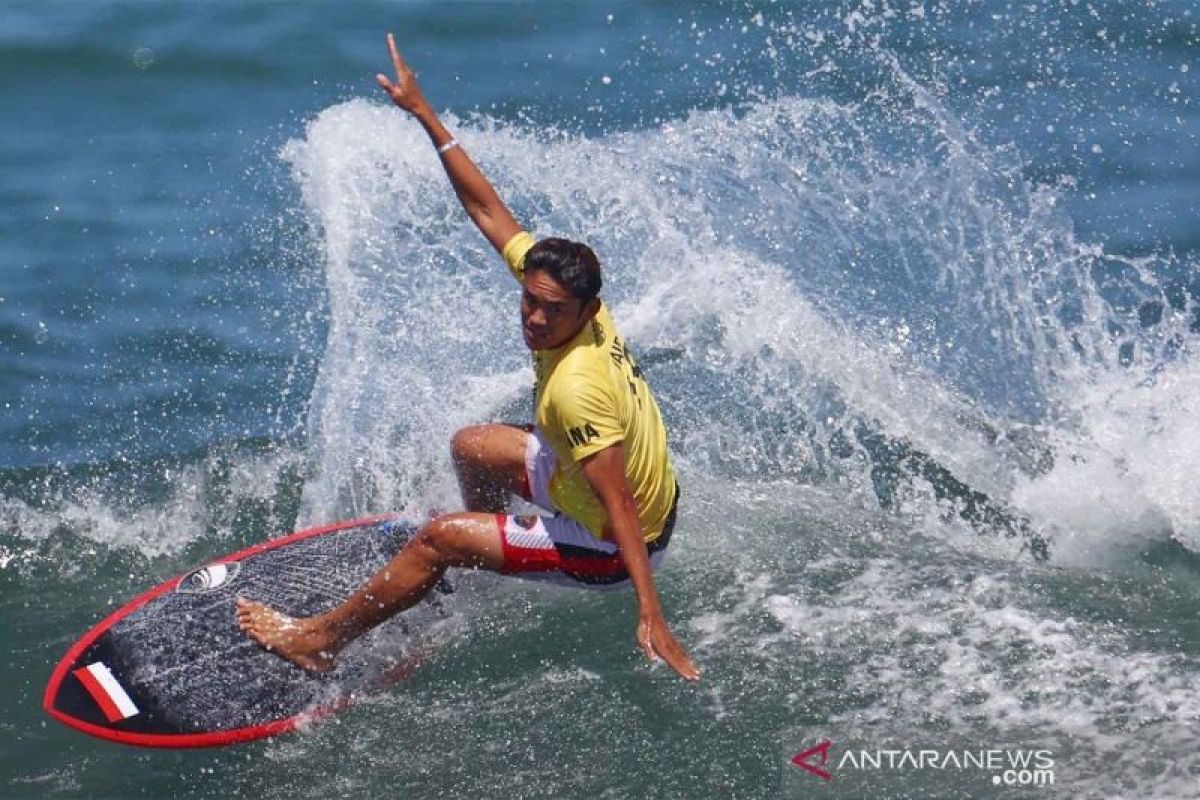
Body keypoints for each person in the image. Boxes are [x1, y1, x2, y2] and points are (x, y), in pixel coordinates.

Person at [236, 33, 699, 682]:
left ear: (587, 313)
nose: (535, 320)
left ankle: (318, 641)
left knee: (440, 537)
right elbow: (487, 209)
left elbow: (617, 501)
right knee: (473, 446)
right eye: (529, 302)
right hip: (622, 498)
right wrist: (425, 115)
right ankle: (496, 551)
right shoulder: (576, 293)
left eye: (551, 312)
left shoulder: (576, 390)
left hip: (616, 548)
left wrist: (650, 612)